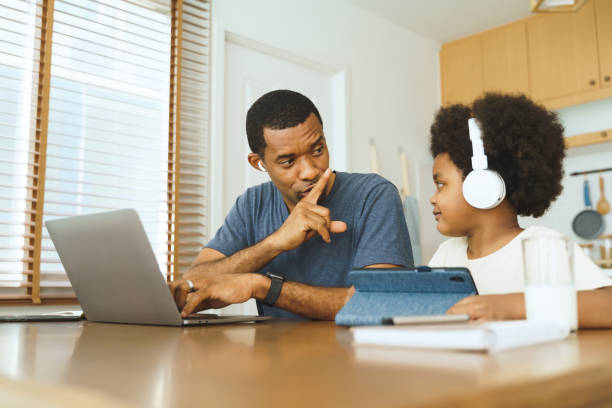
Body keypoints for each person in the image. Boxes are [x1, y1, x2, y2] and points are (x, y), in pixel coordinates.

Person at [170, 90, 413, 320]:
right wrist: (275, 243)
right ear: (258, 163)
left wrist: (262, 286)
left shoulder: (374, 195)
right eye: (288, 161)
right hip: (276, 359)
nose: (309, 171)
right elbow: (190, 286)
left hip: (356, 357)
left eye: (318, 149)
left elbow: (379, 303)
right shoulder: (251, 205)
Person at [428, 92, 612, 328]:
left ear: (481, 185)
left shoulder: (541, 244)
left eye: (441, 184)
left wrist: (509, 307)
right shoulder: (447, 254)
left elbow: (608, 304)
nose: (433, 198)